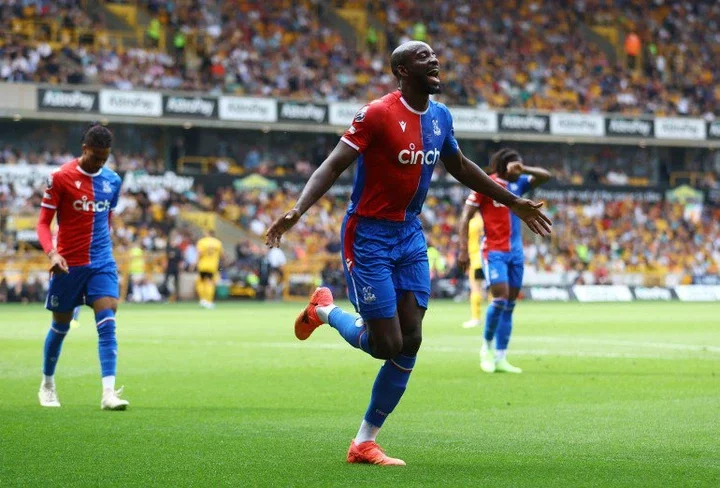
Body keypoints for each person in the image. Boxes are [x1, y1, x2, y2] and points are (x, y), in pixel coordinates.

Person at [265, 41, 552, 466]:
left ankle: (364, 442)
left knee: (411, 340)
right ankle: (323, 310)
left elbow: (460, 166)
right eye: (423, 57)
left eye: (434, 55)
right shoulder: (378, 113)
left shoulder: (440, 117)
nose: (434, 60)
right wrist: (297, 210)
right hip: (368, 236)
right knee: (386, 344)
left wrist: (512, 200)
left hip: (410, 235)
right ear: (401, 70)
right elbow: (332, 165)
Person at [35, 123, 128, 410]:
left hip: (101, 261)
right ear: (84, 148)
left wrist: (107, 250)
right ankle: (47, 384)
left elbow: (106, 219)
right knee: (60, 326)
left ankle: (108, 393)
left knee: (108, 321)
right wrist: (52, 254)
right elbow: (42, 223)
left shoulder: (113, 180)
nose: (100, 162)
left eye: (105, 158)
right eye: (96, 156)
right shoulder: (60, 178)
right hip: (68, 264)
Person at [461, 148, 552, 374]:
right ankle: (486, 349)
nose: (519, 171)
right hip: (494, 251)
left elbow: (545, 176)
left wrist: (524, 169)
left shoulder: (519, 184)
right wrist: (463, 249)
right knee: (499, 299)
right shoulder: (487, 184)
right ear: (503, 166)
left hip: (516, 253)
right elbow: (466, 216)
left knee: (510, 305)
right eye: (515, 166)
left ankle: (501, 356)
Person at [457, 211, 486, 328]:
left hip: (475, 259)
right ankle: (496, 317)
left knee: (475, 289)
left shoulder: (472, 223)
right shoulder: (486, 221)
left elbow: (466, 240)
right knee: (492, 290)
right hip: (488, 257)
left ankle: (476, 318)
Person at [195, 229, 223, 309]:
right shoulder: (218, 242)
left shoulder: (202, 241)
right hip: (212, 266)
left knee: (201, 282)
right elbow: (222, 254)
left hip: (203, 265)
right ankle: (209, 301)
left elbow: (199, 253)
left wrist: (196, 262)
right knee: (210, 282)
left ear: (208, 233)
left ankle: (202, 299)